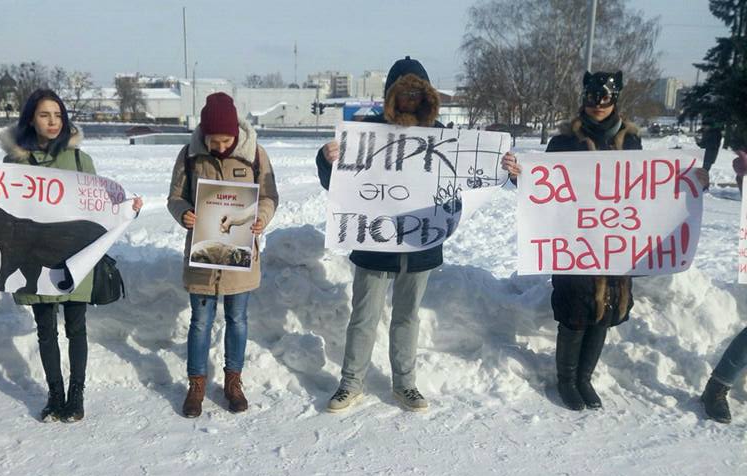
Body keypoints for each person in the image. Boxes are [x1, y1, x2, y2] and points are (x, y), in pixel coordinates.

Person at [315, 56, 520, 412]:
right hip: (374, 244)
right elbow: (339, 187)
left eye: (416, 91)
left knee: (407, 316)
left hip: (420, 243)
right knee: (364, 316)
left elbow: (475, 177)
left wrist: (505, 168)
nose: (409, 98)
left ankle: (405, 384)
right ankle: (351, 383)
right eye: (402, 91)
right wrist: (326, 159)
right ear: (390, 94)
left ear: (427, 95)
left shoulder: (444, 137)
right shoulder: (367, 133)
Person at [515, 71, 708, 412]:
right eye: (592, 99)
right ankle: (566, 380)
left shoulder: (631, 141)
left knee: (605, 311)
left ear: (615, 99)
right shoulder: (563, 142)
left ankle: (585, 378)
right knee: (575, 312)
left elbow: (652, 188)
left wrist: (691, 181)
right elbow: (542, 190)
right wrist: (521, 176)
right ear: (584, 100)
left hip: (616, 244)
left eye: (605, 99)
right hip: (576, 243)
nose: (598, 106)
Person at [0, 89, 143, 423]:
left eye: (58, 115)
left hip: (74, 258)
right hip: (33, 257)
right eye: (45, 115)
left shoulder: (79, 160)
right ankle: (54, 395)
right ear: (31, 118)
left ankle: (76, 395)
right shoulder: (16, 163)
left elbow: (101, 205)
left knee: (76, 328)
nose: (53, 122)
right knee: (46, 330)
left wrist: (128, 206)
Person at [167, 92, 279, 418]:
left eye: (225, 139)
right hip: (202, 257)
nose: (219, 146)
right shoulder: (190, 155)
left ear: (235, 133)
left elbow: (270, 196)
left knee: (237, 320)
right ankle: (196, 384)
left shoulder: (255, 154)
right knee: (200, 322)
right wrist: (184, 212)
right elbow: (175, 197)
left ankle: (233, 382)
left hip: (239, 259)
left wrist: (262, 217)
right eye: (213, 141)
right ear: (204, 134)